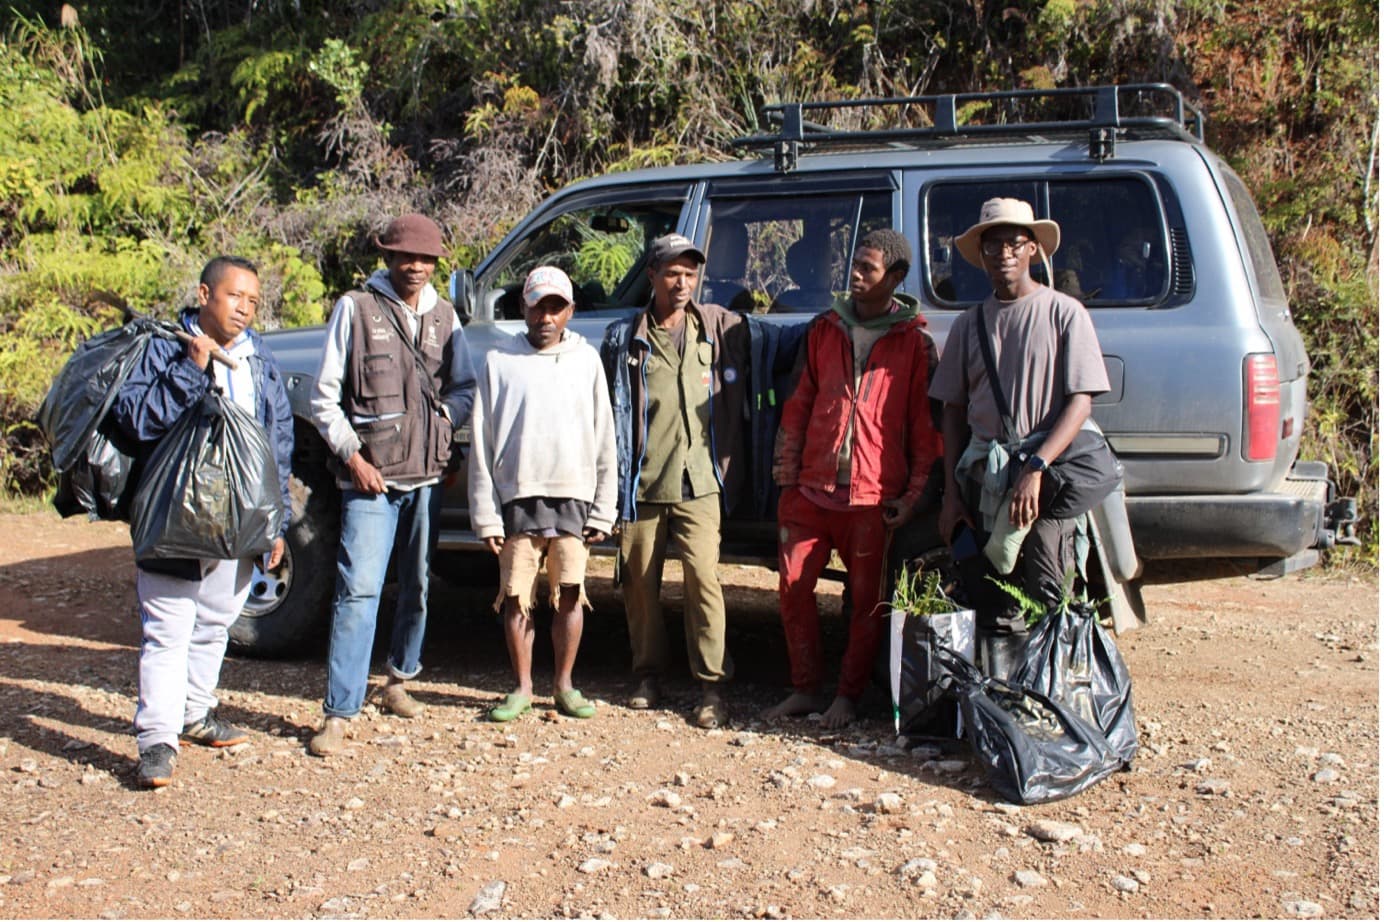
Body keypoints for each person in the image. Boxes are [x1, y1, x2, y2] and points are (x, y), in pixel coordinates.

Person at [112, 256, 293, 788]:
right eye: (235, 296)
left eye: (254, 301)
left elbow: (275, 444)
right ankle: (157, 741)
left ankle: (194, 713)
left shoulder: (260, 361)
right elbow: (136, 421)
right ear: (204, 294)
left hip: (237, 518)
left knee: (216, 621)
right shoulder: (164, 348)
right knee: (167, 630)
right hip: (173, 511)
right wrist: (191, 369)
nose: (245, 309)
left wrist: (274, 519)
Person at [307, 213, 476, 756]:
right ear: (388, 258)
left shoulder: (446, 317)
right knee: (358, 591)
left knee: (419, 588)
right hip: (371, 481)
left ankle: (399, 679)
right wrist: (354, 458)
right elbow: (322, 397)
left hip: (426, 478)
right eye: (407, 257)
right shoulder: (354, 309)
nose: (417, 268)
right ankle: (338, 711)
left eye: (426, 259)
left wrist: (445, 421)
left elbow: (465, 386)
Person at [765, 229, 942, 729]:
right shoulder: (826, 329)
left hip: (871, 497)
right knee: (793, 589)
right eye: (855, 267)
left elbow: (925, 435)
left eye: (869, 269)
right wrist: (788, 478)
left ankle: (847, 696)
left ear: (897, 277)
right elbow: (798, 407)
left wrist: (910, 499)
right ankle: (804, 689)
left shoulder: (914, 344)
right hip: (811, 491)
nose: (856, 277)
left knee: (866, 604)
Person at [930, 198, 1111, 677]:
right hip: (984, 482)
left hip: (1044, 484)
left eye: (1014, 242)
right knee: (991, 598)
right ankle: (1006, 707)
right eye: (993, 244)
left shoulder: (1063, 314)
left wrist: (1037, 468)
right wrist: (951, 494)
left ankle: (1058, 708)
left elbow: (1080, 403)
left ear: (1033, 248)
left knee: (1050, 592)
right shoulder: (969, 324)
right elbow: (952, 413)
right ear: (981, 255)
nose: (1003, 253)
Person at [601, 233, 750, 729]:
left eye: (690, 273)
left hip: (700, 481)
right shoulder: (627, 339)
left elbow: (773, 340)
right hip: (643, 483)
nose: (682, 282)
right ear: (652, 276)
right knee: (639, 587)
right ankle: (647, 675)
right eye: (672, 272)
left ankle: (711, 686)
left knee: (704, 581)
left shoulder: (716, 329)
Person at [469, 266, 617, 722]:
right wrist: (485, 514)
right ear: (523, 308)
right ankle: (522, 687)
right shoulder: (499, 361)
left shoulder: (586, 360)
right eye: (538, 306)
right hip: (518, 496)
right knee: (516, 596)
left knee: (569, 594)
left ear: (570, 311)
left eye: (556, 307)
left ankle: (564, 684)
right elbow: (481, 440)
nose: (546, 317)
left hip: (573, 495)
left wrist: (603, 506)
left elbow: (605, 436)